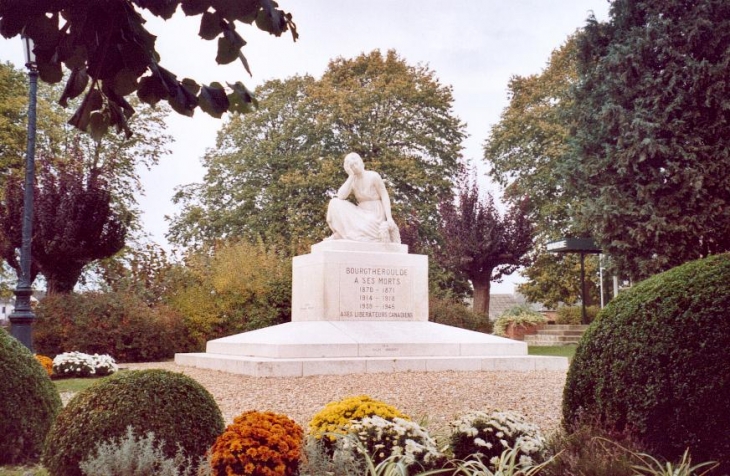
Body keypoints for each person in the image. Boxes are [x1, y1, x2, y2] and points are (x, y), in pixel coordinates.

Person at [326, 152, 401, 243]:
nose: (355, 167)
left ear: (361, 162)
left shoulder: (373, 176)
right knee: (334, 202)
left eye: (356, 163)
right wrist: (350, 176)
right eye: (352, 166)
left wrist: (389, 218)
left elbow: (384, 196)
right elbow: (341, 196)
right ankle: (340, 233)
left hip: (375, 214)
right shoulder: (353, 180)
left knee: (364, 224)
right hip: (360, 211)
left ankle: (352, 233)